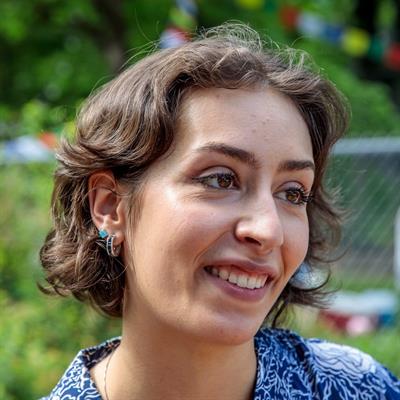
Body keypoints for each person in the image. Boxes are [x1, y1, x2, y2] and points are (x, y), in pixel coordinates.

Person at [39, 24, 400, 400]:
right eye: (221, 180)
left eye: (292, 193)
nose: (268, 230)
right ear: (110, 205)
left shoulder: (360, 389)